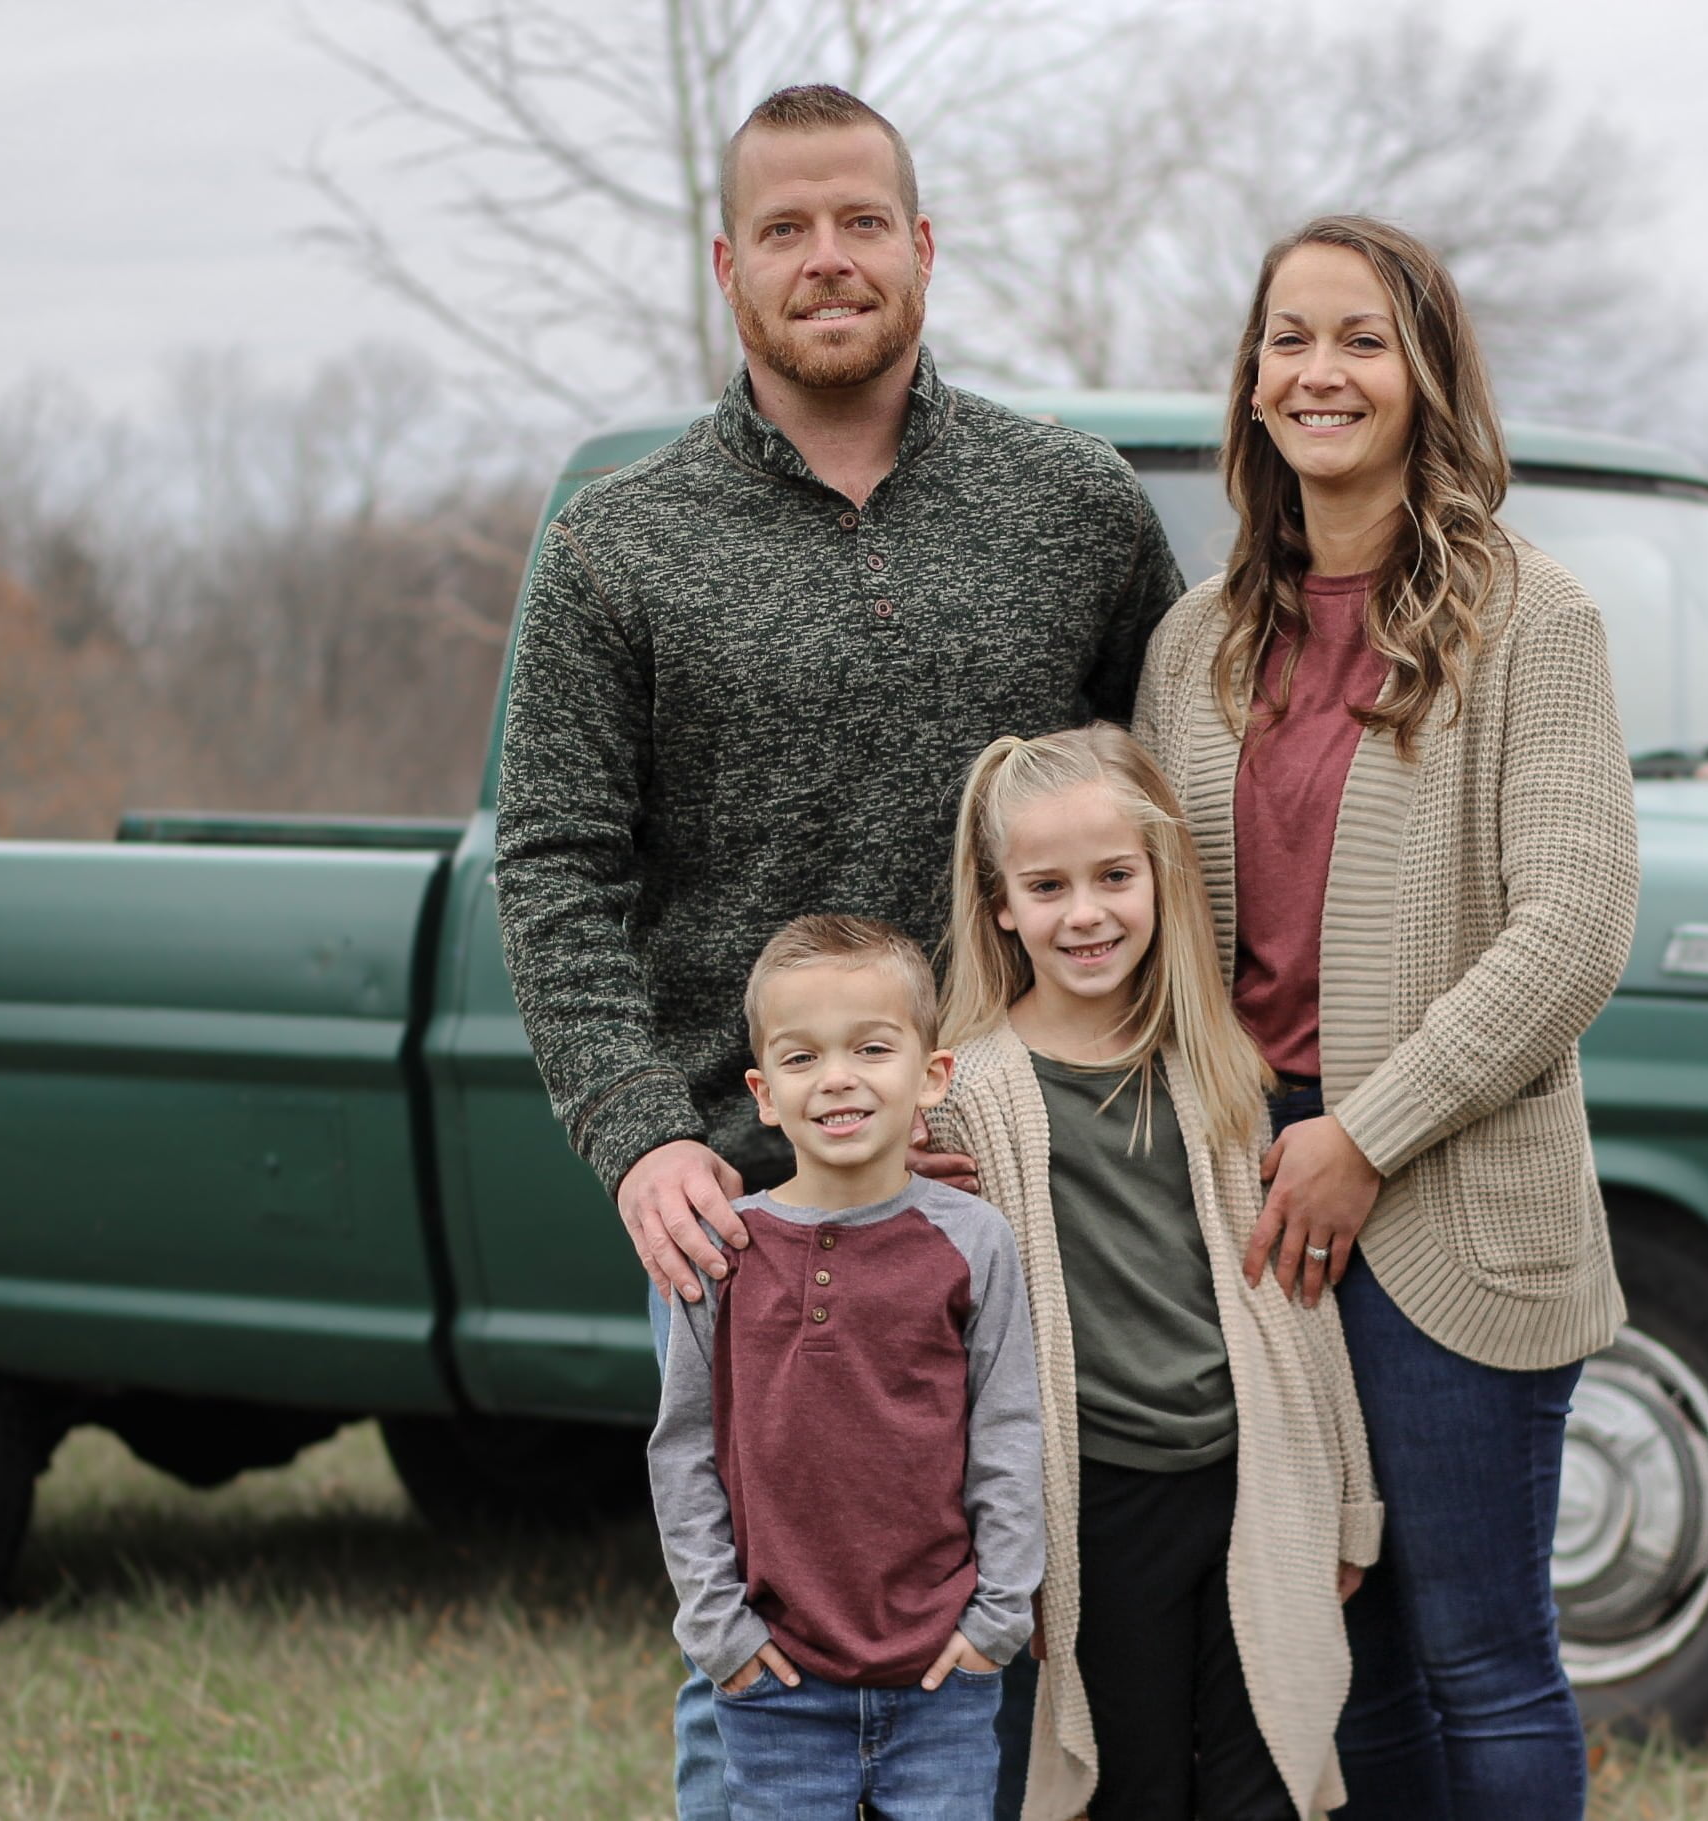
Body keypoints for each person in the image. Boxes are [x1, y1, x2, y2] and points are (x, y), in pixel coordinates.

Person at [490, 82, 1181, 1815]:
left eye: (861, 221)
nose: (828, 259)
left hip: (1034, 1191)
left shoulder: (1075, 505)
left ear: (923, 246)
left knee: (1038, 1637)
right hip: (755, 1214)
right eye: (786, 229)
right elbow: (557, 861)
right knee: (773, 1677)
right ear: (728, 265)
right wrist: (640, 1131)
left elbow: (1169, 826)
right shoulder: (620, 546)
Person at [1132, 216, 1640, 1819]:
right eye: (1288, 338)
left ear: (1424, 373)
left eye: (1359, 338)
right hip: (1256, 1210)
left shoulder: (1528, 619)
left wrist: (1366, 1131)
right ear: (1251, 382)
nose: (1319, 371)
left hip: (1447, 1199)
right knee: (1331, 1653)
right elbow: (1159, 945)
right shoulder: (1193, 644)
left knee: (1476, 1652)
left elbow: (1573, 926)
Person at [930, 725, 1382, 1821]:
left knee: (1265, 1779)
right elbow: (957, 1359)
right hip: (1098, 1506)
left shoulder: (1212, 1066)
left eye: (1114, 877)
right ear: (999, 903)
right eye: (1047, 886)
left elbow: (1293, 1300)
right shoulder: (970, 1098)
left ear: (1161, 879)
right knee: (1134, 1790)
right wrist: (998, 1551)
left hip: (1248, 1481)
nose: (1085, 914)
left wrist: (1350, 1505)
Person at [648, 914, 1042, 1821]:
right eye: (801, 1058)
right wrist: (722, 1634)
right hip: (778, 1683)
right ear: (763, 1093)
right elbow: (685, 1455)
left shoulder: (972, 1242)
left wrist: (996, 1622)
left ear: (931, 1074)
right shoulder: (722, 1254)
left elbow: (1008, 1432)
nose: (837, 1078)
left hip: (943, 1677)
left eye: (871, 1047)